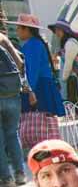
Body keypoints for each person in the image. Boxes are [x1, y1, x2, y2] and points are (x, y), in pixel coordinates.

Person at [8, 14, 65, 159]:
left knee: (40, 121)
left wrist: (29, 90)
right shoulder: (37, 43)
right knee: (45, 122)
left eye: (19, 28)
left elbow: (31, 70)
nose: (17, 31)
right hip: (42, 85)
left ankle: (45, 155)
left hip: (38, 86)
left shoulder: (32, 45)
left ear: (27, 29)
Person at [0, 10, 27, 187]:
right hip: (11, 93)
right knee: (12, 134)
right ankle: (20, 174)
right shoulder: (3, 38)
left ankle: (6, 178)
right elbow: (20, 63)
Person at [49, 20, 78, 103]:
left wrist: (63, 80)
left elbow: (68, 64)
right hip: (75, 80)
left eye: (58, 30)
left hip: (75, 81)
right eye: (55, 31)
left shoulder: (70, 43)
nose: (56, 33)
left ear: (64, 31)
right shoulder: (69, 43)